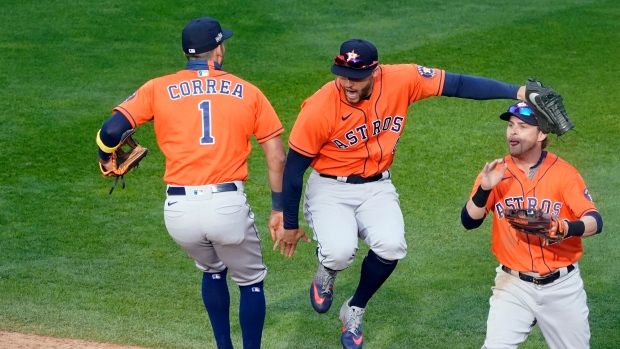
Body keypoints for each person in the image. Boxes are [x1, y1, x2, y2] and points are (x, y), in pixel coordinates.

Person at [273, 38, 532, 349]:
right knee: (339, 251)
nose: (348, 84)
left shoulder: (402, 79)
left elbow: (458, 84)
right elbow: (293, 170)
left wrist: (517, 92)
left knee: (392, 245)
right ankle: (328, 267)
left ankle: (354, 307)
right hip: (330, 186)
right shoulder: (319, 108)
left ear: (375, 72)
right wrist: (289, 223)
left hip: (377, 185)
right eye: (342, 75)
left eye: (356, 78)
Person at [95, 17, 286, 349]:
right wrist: (279, 208)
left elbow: (110, 133)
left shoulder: (157, 87)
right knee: (251, 281)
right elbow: (277, 157)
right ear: (218, 51)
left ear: (187, 54)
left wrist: (104, 158)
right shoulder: (248, 91)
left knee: (212, 271)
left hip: (179, 212)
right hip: (226, 206)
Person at [460, 101, 603, 348]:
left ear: (541, 134)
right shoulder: (497, 172)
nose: (513, 132)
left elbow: (594, 221)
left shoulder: (565, 174)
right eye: (511, 126)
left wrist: (566, 228)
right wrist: (485, 189)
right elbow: (469, 221)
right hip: (513, 285)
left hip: (562, 287)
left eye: (523, 127)